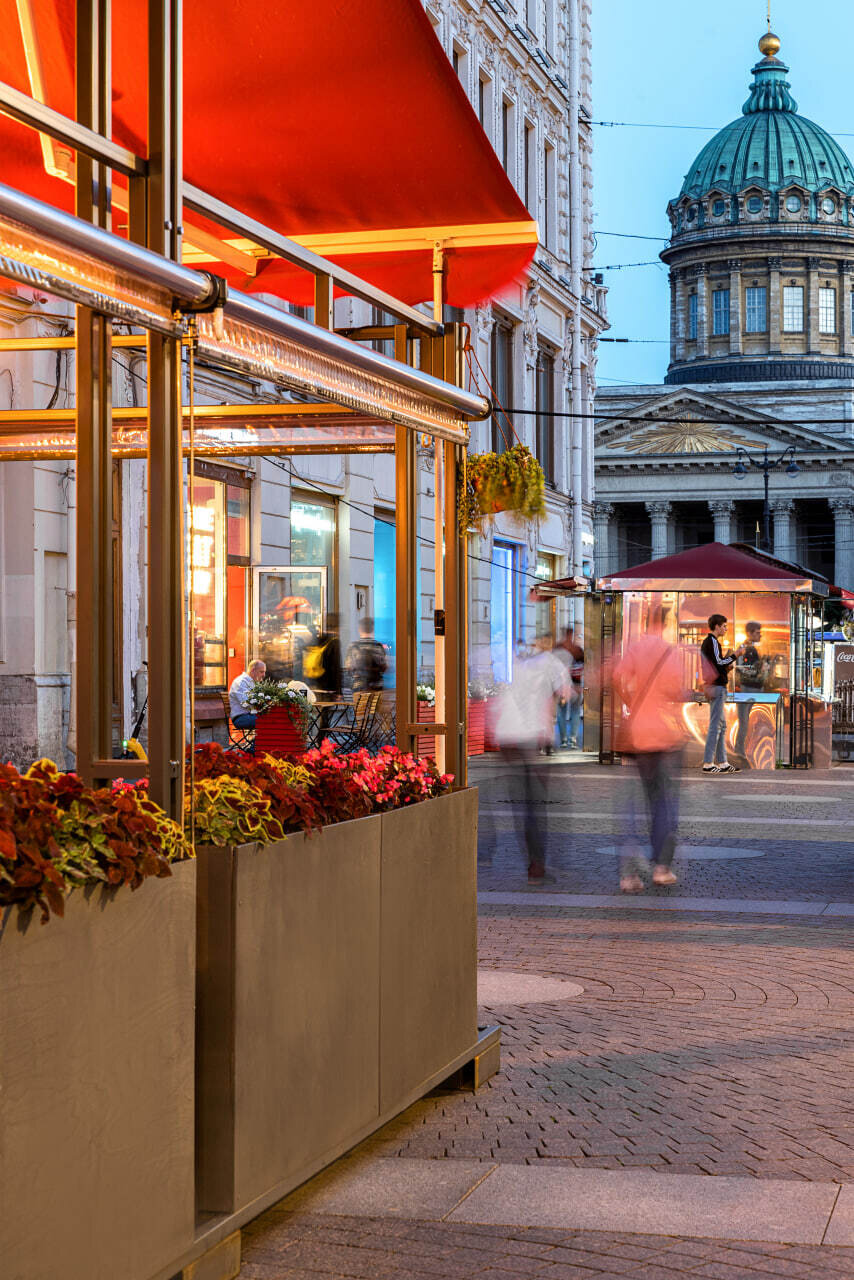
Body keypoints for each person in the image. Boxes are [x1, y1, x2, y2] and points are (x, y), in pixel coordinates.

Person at [613, 629, 689, 893]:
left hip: (639, 735)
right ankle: (661, 868)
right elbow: (677, 691)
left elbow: (617, 678)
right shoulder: (670, 652)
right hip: (666, 735)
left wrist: (632, 702)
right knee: (664, 803)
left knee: (633, 804)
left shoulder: (635, 648)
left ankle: (628, 875)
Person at [494, 637, 568, 884]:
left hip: (508, 741)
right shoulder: (550, 662)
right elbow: (566, 692)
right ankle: (537, 866)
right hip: (532, 740)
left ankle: (533, 861)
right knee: (536, 807)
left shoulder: (512, 662)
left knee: (522, 806)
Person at [700, 614, 743, 774]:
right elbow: (719, 662)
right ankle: (708, 762)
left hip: (713, 686)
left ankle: (723, 762)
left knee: (721, 725)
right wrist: (735, 655)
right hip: (717, 687)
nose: (726, 629)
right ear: (717, 626)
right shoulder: (712, 642)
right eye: (724, 626)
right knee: (715, 726)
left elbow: (716, 664)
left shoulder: (708, 643)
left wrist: (727, 666)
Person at [555, 627, 584, 749]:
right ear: (571, 635)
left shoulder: (558, 648)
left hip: (561, 686)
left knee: (561, 712)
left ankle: (563, 739)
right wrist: (578, 685)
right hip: (574, 685)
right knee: (575, 711)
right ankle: (572, 738)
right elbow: (581, 667)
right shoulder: (577, 650)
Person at [345, 617, 387, 692]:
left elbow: (349, 667)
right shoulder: (378, 646)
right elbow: (384, 667)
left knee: (360, 703)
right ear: (372, 629)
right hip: (376, 686)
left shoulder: (353, 646)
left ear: (360, 629)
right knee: (376, 704)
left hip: (359, 685)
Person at [229, 659, 266, 729]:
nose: (264, 675)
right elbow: (246, 703)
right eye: (261, 672)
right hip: (241, 718)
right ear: (253, 670)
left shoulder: (252, 682)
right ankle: (255, 740)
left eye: (264, 672)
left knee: (272, 720)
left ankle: (256, 740)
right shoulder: (241, 682)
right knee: (268, 721)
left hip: (249, 715)